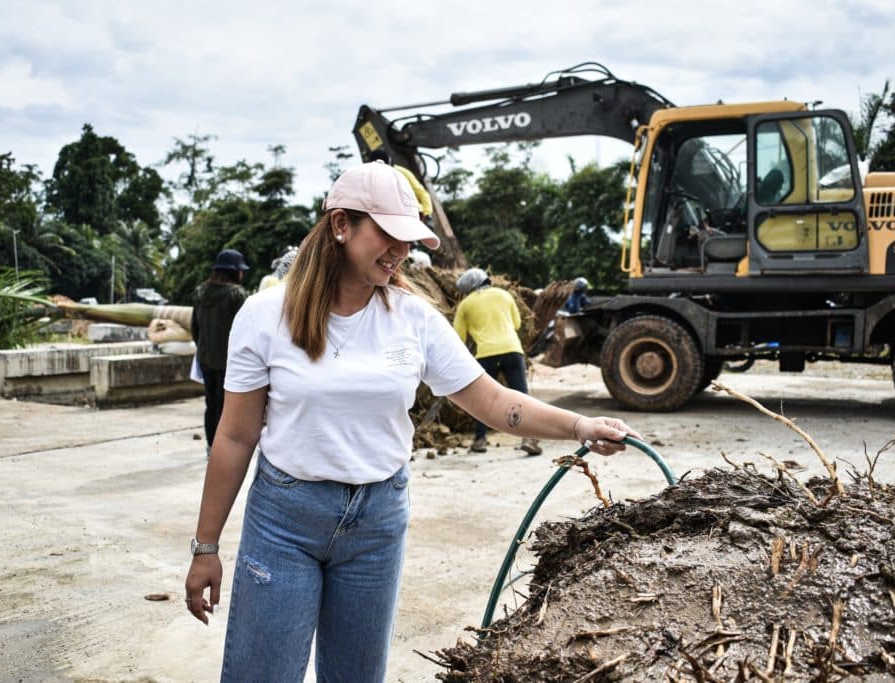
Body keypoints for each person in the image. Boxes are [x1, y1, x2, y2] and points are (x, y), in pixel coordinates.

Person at [183, 161, 641, 683]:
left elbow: (493, 401)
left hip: (377, 524)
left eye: (409, 238)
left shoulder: (414, 318)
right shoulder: (265, 316)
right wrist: (206, 546)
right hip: (286, 521)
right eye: (388, 234)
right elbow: (237, 434)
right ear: (340, 225)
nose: (401, 250)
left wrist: (579, 426)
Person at [453, 267, 542, 455]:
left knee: (483, 400)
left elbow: (458, 337)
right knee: (522, 397)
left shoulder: (466, 305)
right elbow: (517, 323)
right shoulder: (504, 295)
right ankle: (530, 439)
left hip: (486, 354)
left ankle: (480, 440)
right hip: (512, 350)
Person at [191, 249, 248, 455]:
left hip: (206, 358)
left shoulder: (199, 292)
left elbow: (194, 328)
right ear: (233, 272)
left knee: (211, 403)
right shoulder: (237, 295)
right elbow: (245, 328)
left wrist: (203, 349)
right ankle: (223, 450)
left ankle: (210, 445)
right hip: (230, 361)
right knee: (227, 407)